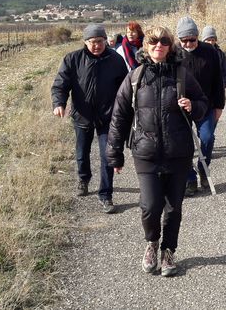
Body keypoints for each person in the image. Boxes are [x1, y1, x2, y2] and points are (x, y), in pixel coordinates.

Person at [106, 26, 209, 277]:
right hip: (146, 152)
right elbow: (119, 116)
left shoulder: (182, 74)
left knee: (173, 208)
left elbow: (203, 104)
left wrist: (192, 106)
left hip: (178, 152)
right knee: (150, 206)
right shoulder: (136, 77)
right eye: (153, 41)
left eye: (164, 41)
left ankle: (168, 251)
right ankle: (152, 243)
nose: (158, 46)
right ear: (146, 45)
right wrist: (114, 153)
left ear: (170, 46)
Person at [51, 24, 128, 214]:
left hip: (107, 117)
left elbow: (125, 88)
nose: (96, 46)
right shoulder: (72, 59)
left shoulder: (116, 60)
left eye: (100, 42)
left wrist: (126, 110)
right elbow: (60, 84)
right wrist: (59, 103)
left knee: (107, 156)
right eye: (92, 42)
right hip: (82, 115)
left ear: (105, 41)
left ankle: (106, 195)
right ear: (85, 42)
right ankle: (83, 178)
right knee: (82, 152)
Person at [175, 16, 225, 196]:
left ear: (197, 37)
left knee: (207, 137)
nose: (188, 44)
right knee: (184, 144)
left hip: (206, 105)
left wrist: (219, 106)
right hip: (181, 107)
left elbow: (218, 80)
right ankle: (190, 178)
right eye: (184, 41)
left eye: (192, 40)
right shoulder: (173, 53)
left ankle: (203, 169)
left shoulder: (210, 51)